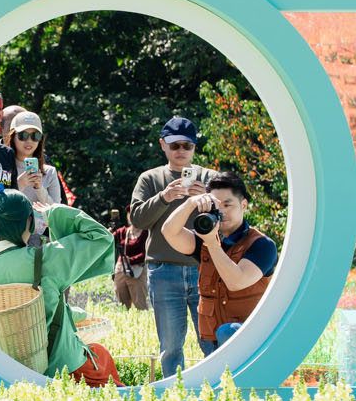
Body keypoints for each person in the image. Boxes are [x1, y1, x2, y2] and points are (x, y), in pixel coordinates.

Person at [0, 191, 116, 377]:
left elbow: (28, 313)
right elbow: (100, 236)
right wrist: (54, 212)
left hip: (14, 370)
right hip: (63, 367)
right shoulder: (46, 258)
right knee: (102, 357)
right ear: (27, 221)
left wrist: (80, 314)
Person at [129, 116, 216, 377]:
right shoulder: (150, 178)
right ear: (163, 145)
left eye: (187, 145)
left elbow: (229, 220)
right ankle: (173, 392)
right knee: (170, 347)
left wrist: (209, 200)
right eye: (174, 145)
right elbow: (138, 220)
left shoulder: (210, 178)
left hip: (204, 269)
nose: (181, 151)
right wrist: (164, 197)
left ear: (194, 147)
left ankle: (218, 388)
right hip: (163, 270)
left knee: (211, 341)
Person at [160, 172, 279, 355]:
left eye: (227, 205)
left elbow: (236, 281)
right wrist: (190, 203)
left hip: (249, 339)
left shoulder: (262, 245)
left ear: (243, 205)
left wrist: (212, 244)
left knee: (227, 331)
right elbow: (169, 232)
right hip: (211, 338)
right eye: (216, 205)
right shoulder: (207, 239)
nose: (221, 211)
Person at [6, 110, 66, 213]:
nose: (29, 140)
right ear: (12, 137)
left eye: (35, 136)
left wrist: (39, 188)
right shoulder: (2, 168)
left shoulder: (50, 172)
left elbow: (56, 212)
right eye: (23, 135)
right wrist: (18, 185)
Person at [110, 213, 150, 311]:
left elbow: (147, 253)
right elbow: (109, 240)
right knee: (122, 305)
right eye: (130, 214)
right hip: (121, 269)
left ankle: (141, 320)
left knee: (140, 304)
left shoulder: (146, 233)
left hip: (138, 270)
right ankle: (125, 319)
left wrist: (131, 260)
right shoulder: (122, 231)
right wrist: (110, 231)